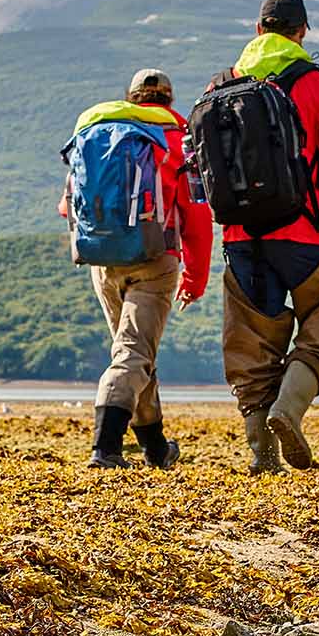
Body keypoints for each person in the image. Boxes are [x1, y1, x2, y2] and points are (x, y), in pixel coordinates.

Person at [213, 0, 319, 474]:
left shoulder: (220, 87)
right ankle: (289, 408)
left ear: (258, 29)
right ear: (302, 32)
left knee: (251, 348)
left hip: (241, 239)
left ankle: (263, 456)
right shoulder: (318, 88)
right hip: (305, 235)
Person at [61, 69, 213, 469]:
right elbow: (196, 214)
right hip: (154, 260)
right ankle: (105, 448)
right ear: (168, 100)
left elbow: (66, 206)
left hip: (102, 260)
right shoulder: (178, 138)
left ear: (130, 98)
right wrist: (195, 278)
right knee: (133, 353)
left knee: (134, 351)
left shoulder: (96, 132)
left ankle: (155, 448)